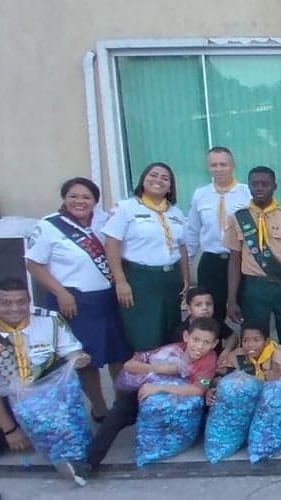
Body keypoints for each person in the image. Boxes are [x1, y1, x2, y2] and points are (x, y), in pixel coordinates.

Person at [25, 177, 132, 422]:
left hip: (108, 297)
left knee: (118, 353)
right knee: (85, 358)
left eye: (86, 197)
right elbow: (34, 263)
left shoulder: (103, 221)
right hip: (73, 300)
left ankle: (121, 405)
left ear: (95, 200)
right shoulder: (50, 226)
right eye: (74, 196)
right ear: (65, 198)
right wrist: (61, 293)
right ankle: (99, 408)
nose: (80, 201)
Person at [83, 317, 219, 474]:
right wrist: (161, 369)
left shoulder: (209, 360)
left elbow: (198, 390)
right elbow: (129, 365)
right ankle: (89, 463)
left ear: (214, 344)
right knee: (118, 412)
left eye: (206, 342)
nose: (199, 346)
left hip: (175, 407)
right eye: (196, 339)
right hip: (147, 394)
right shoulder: (172, 350)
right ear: (186, 337)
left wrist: (160, 387)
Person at [0, 278, 91, 473]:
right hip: (2, 400)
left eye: (21, 302)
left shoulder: (49, 319)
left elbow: (71, 351)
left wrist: (78, 358)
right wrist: (10, 431)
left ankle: (72, 464)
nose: (15, 308)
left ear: (29, 301)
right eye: (6, 303)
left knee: (66, 432)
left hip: (43, 398)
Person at [226, 167, 281, 363]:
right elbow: (235, 260)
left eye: (265, 184)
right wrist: (232, 299)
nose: (260, 188)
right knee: (253, 337)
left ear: (274, 186)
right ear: (250, 186)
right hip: (254, 287)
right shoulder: (239, 218)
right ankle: (255, 378)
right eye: (255, 184)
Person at [103, 162, 189, 352]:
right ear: (143, 180)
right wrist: (120, 281)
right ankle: (145, 376)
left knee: (170, 332)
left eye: (165, 178)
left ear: (170, 186)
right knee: (144, 333)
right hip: (140, 279)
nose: (158, 180)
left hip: (169, 279)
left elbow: (181, 247)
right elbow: (111, 244)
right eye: (153, 175)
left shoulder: (175, 212)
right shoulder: (126, 208)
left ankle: (166, 377)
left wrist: (185, 278)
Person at [185, 146, 250, 325]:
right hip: (211, 262)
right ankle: (214, 351)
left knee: (247, 313)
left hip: (241, 261)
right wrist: (186, 263)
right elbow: (192, 230)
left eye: (223, 164)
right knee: (210, 317)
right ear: (208, 167)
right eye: (214, 165)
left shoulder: (247, 193)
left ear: (233, 165)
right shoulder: (201, 194)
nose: (218, 169)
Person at [215, 321, 281, 386]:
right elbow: (216, 377)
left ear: (267, 341)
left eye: (256, 340)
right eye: (245, 340)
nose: (250, 345)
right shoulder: (237, 355)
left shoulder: (279, 354)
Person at [168, 287, 237, 358]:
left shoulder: (216, 322)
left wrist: (227, 350)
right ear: (189, 309)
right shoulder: (182, 330)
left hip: (216, 362)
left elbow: (232, 336)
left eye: (209, 304)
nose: (205, 308)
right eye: (198, 305)